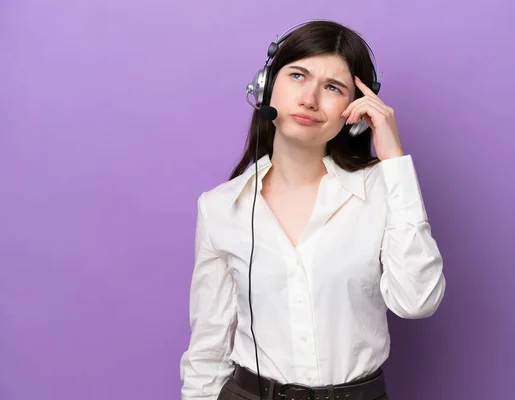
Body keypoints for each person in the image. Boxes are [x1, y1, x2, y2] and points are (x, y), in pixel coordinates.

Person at [180, 20, 446, 400]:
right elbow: (209, 346)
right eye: (298, 75)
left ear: (354, 108)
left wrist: (393, 160)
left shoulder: (383, 191)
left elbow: (417, 301)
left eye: (333, 87)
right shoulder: (221, 207)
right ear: (266, 86)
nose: (309, 99)